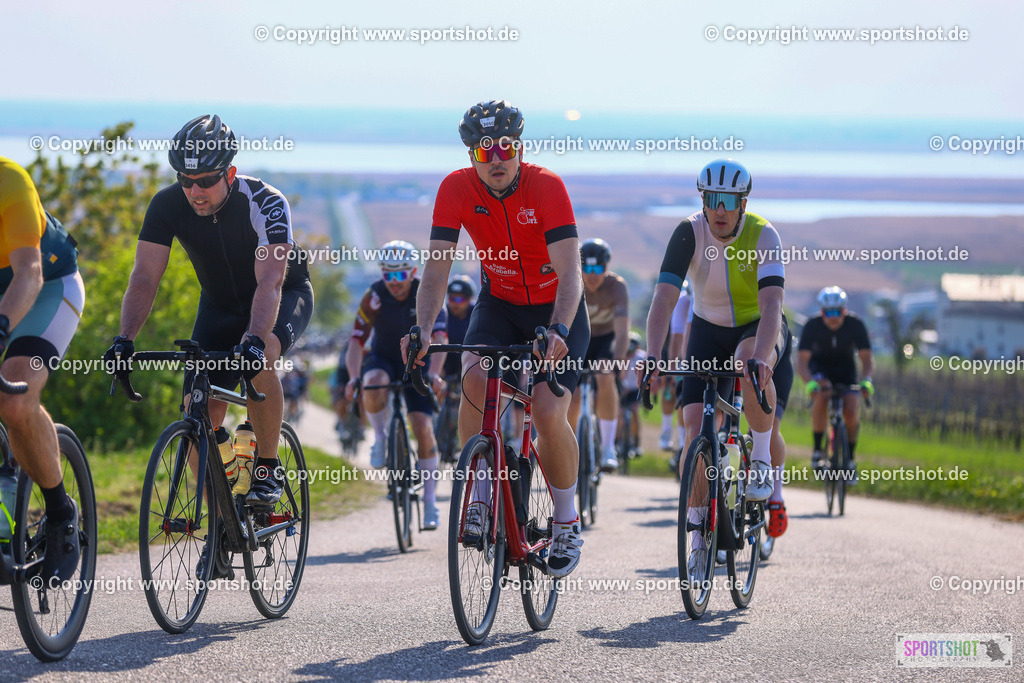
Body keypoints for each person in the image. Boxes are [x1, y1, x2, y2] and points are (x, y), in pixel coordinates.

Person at [104, 115, 314, 577]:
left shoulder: (267, 203)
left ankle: (266, 466)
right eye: (186, 180)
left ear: (230, 173)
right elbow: (145, 277)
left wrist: (256, 341)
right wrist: (124, 340)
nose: (195, 191)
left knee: (260, 365)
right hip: (218, 307)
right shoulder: (166, 205)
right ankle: (221, 523)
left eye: (205, 181)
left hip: (281, 298)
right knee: (197, 411)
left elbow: (271, 281)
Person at [405, 99, 590, 578]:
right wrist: (423, 328)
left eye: (506, 149)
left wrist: (561, 329)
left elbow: (571, 272)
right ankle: (481, 495)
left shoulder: (546, 186)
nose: (497, 161)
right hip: (501, 302)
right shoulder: (455, 188)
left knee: (549, 410)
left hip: (555, 307)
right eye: (485, 152)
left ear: (520, 148)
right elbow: (437, 269)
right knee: (473, 377)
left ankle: (567, 523)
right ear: (472, 156)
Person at [641, 158, 787, 580]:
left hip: (756, 327)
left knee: (748, 366)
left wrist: (762, 356)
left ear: (743, 203)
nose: (719, 210)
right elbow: (664, 300)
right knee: (693, 428)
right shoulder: (688, 231)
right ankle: (698, 536)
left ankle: (759, 460)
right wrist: (653, 354)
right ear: (703, 200)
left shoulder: (765, 234)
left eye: (728, 201)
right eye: (711, 200)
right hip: (706, 329)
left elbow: (772, 305)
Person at [0, 157, 85, 584]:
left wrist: (1, 330)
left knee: (15, 396)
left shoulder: (8, 179)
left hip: (47, 286)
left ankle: (60, 515)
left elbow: (29, 274)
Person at [344, 241, 448, 528]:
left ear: (413, 272)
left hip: (419, 362)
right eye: (387, 275)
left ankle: (429, 503)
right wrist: (354, 376)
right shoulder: (374, 296)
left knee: (423, 428)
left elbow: (441, 338)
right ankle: (379, 439)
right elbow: (356, 342)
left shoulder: (427, 294)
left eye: (400, 275)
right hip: (385, 358)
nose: (394, 283)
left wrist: (435, 375)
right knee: (372, 383)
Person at [797, 286, 875, 482]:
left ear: (844, 311)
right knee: (822, 395)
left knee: (851, 409)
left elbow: (867, 359)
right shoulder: (812, 326)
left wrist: (866, 381)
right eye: (828, 312)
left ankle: (850, 460)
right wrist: (810, 384)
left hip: (846, 370)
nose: (833, 317)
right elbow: (802, 362)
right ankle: (817, 452)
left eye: (837, 312)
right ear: (821, 312)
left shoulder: (855, 325)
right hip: (820, 369)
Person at [568, 238, 629, 471]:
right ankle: (569, 447)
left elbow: (623, 330)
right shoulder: (572, 283)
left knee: (605, 375)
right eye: (586, 269)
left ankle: (607, 449)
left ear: (606, 268)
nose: (591, 275)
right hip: (578, 340)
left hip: (604, 341)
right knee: (571, 396)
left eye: (598, 269)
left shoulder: (617, 287)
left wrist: (620, 360)